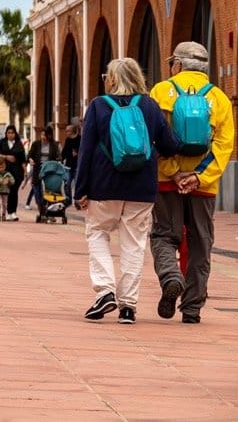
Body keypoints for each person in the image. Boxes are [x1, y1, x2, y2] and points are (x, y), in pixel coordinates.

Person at [75, 57, 180, 324]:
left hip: (103, 186)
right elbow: (169, 145)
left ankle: (105, 291)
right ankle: (128, 307)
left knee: (97, 233)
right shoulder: (149, 106)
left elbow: (86, 151)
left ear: (112, 79)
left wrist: (80, 189)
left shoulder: (98, 106)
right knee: (134, 244)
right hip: (142, 188)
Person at [148, 41, 235, 324]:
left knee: (163, 235)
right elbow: (224, 145)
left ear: (179, 64)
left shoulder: (161, 91)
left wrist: (173, 172)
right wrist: (199, 176)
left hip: (166, 182)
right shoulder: (219, 98)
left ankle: (171, 277)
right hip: (203, 187)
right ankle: (193, 307)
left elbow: (153, 139)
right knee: (200, 243)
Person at [0, 125, 27, 221]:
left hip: (17, 172)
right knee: (6, 192)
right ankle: (6, 212)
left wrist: (25, 172)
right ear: (6, 134)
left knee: (14, 191)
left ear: (15, 133)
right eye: (8, 133)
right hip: (4, 171)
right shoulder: (2, 142)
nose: (10, 135)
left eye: (12, 133)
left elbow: (23, 160)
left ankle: (13, 212)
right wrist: (6, 157)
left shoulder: (19, 144)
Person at [27, 125, 62, 211]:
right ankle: (40, 207)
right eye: (42, 135)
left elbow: (58, 157)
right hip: (37, 169)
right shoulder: (36, 144)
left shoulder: (54, 145)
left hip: (49, 170)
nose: (43, 137)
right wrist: (30, 160)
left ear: (50, 135)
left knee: (48, 191)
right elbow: (29, 155)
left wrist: (58, 162)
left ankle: (47, 209)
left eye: (45, 135)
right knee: (36, 189)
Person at [61, 120, 81, 207]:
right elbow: (64, 151)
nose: (66, 132)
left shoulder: (80, 139)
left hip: (77, 166)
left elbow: (83, 151)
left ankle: (77, 201)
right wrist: (61, 159)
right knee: (67, 183)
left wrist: (77, 153)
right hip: (68, 166)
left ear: (72, 131)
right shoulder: (68, 140)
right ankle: (68, 199)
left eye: (67, 131)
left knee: (77, 184)